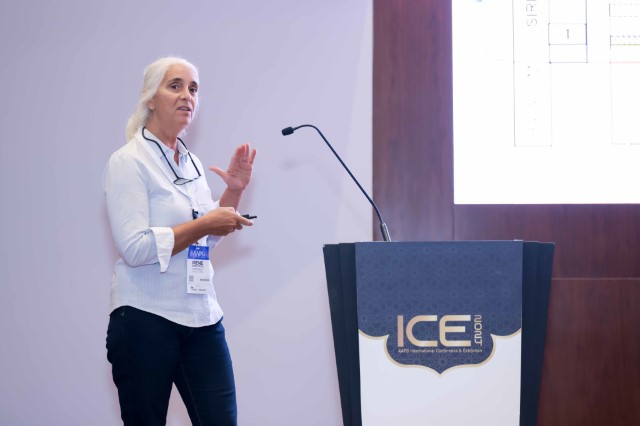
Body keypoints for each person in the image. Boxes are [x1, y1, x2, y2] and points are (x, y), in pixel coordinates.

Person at [103, 56, 256, 426]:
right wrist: (205, 223)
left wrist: (233, 194)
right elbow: (135, 248)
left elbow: (206, 240)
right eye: (175, 86)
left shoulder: (192, 164)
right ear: (150, 98)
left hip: (202, 318)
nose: (187, 95)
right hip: (145, 318)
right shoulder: (128, 161)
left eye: (193, 89)